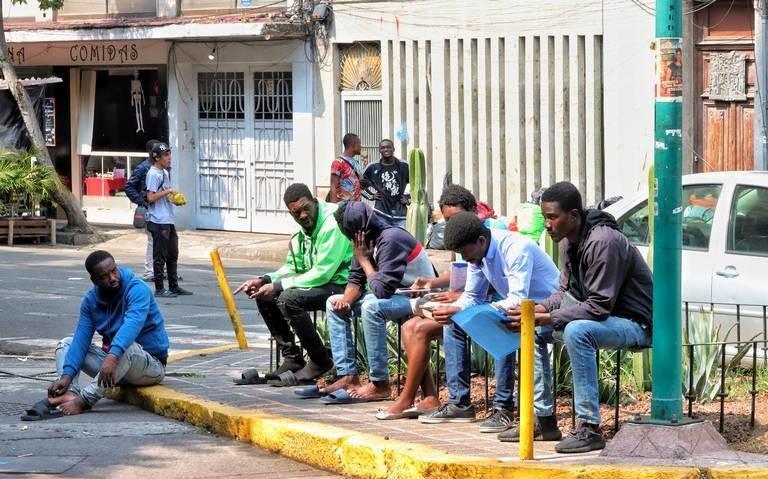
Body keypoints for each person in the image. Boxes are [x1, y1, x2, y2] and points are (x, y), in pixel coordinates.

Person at [504, 181, 653, 453]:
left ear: (573, 216)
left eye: (552, 217)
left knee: (576, 331)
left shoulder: (603, 241)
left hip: (634, 324)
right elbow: (564, 292)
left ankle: (588, 426)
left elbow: (598, 306)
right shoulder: (568, 241)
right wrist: (533, 311)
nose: (547, 224)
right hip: (603, 319)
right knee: (534, 330)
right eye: (544, 217)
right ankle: (544, 420)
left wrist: (549, 318)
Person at [418, 212, 560, 436]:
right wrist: (454, 309)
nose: (466, 260)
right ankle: (459, 404)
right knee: (455, 321)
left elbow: (518, 299)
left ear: (481, 241)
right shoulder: (478, 254)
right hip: (518, 312)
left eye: (466, 253)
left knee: (513, 326)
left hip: (549, 312)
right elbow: (472, 296)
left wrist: (482, 312)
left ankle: (517, 412)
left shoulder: (515, 248)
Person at [233, 183, 353, 384]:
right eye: (297, 213)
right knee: (265, 295)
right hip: (320, 282)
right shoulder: (300, 231)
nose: (303, 216)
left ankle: (320, 360)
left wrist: (279, 286)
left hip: (344, 285)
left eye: (306, 208)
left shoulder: (332, 224)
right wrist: (266, 280)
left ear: (315, 202)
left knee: (288, 299)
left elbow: (323, 273)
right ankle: (293, 358)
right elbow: (292, 266)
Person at [318, 202, 435, 403]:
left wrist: (364, 260)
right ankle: (347, 376)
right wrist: (346, 301)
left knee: (371, 307)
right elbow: (356, 279)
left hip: (419, 298)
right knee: (333, 302)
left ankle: (380, 383)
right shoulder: (364, 241)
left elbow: (381, 291)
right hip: (395, 296)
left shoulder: (391, 239)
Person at [377, 184, 477, 419]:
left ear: (471, 210)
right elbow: (462, 272)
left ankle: (406, 399)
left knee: (419, 329)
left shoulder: (480, 235)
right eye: (447, 220)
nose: (452, 226)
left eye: (456, 218)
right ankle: (429, 396)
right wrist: (432, 284)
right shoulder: (460, 237)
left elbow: (485, 281)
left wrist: (458, 297)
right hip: (460, 301)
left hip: (477, 305)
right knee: (409, 325)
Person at [47, 250, 169, 415]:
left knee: (128, 347)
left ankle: (84, 400)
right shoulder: (90, 300)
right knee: (67, 343)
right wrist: (67, 375)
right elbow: (81, 339)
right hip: (115, 368)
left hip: (149, 366)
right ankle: (69, 392)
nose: (112, 278)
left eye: (114, 271)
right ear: (94, 280)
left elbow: (132, 324)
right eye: (104, 276)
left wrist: (112, 356)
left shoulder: (137, 289)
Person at [145, 142, 192, 298]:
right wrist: (168, 191)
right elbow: (150, 197)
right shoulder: (153, 174)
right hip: (158, 221)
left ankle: (174, 286)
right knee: (160, 256)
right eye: (166, 155)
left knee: (172, 253)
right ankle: (159, 289)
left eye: (169, 154)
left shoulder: (164, 172)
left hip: (167, 219)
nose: (169, 157)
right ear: (156, 158)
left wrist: (175, 199)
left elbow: (164, 195)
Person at [124, 139, 161, 282]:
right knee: (152, 240)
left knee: (161, 241)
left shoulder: (162, 168)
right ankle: (150, 270)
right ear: (154, 153)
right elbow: (129, 187)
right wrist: (141, 201)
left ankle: (159, 269)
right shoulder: (143, 168)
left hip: (161, 210)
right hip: (148, 210)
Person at [361, 139, 410, 228]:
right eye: (383, 148)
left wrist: (408, 198)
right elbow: (359, 186)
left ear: (393, 149)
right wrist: (371, 196)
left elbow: (417, 186)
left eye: (388, 147)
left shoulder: (404, 166)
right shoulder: (372, 167)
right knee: (383, 238)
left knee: (401, 239)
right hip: (381, 213)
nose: (386, 149)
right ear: (379, 150)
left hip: (401, 215)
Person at [329, 133, 363, 203]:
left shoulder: (356, 163)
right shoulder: (338, 162)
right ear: (353, 145)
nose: (361, 146)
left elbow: (361, 183)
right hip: (343, 206)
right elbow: (333, 187)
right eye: (359, 144)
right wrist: (333, 208)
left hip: (356, 206)